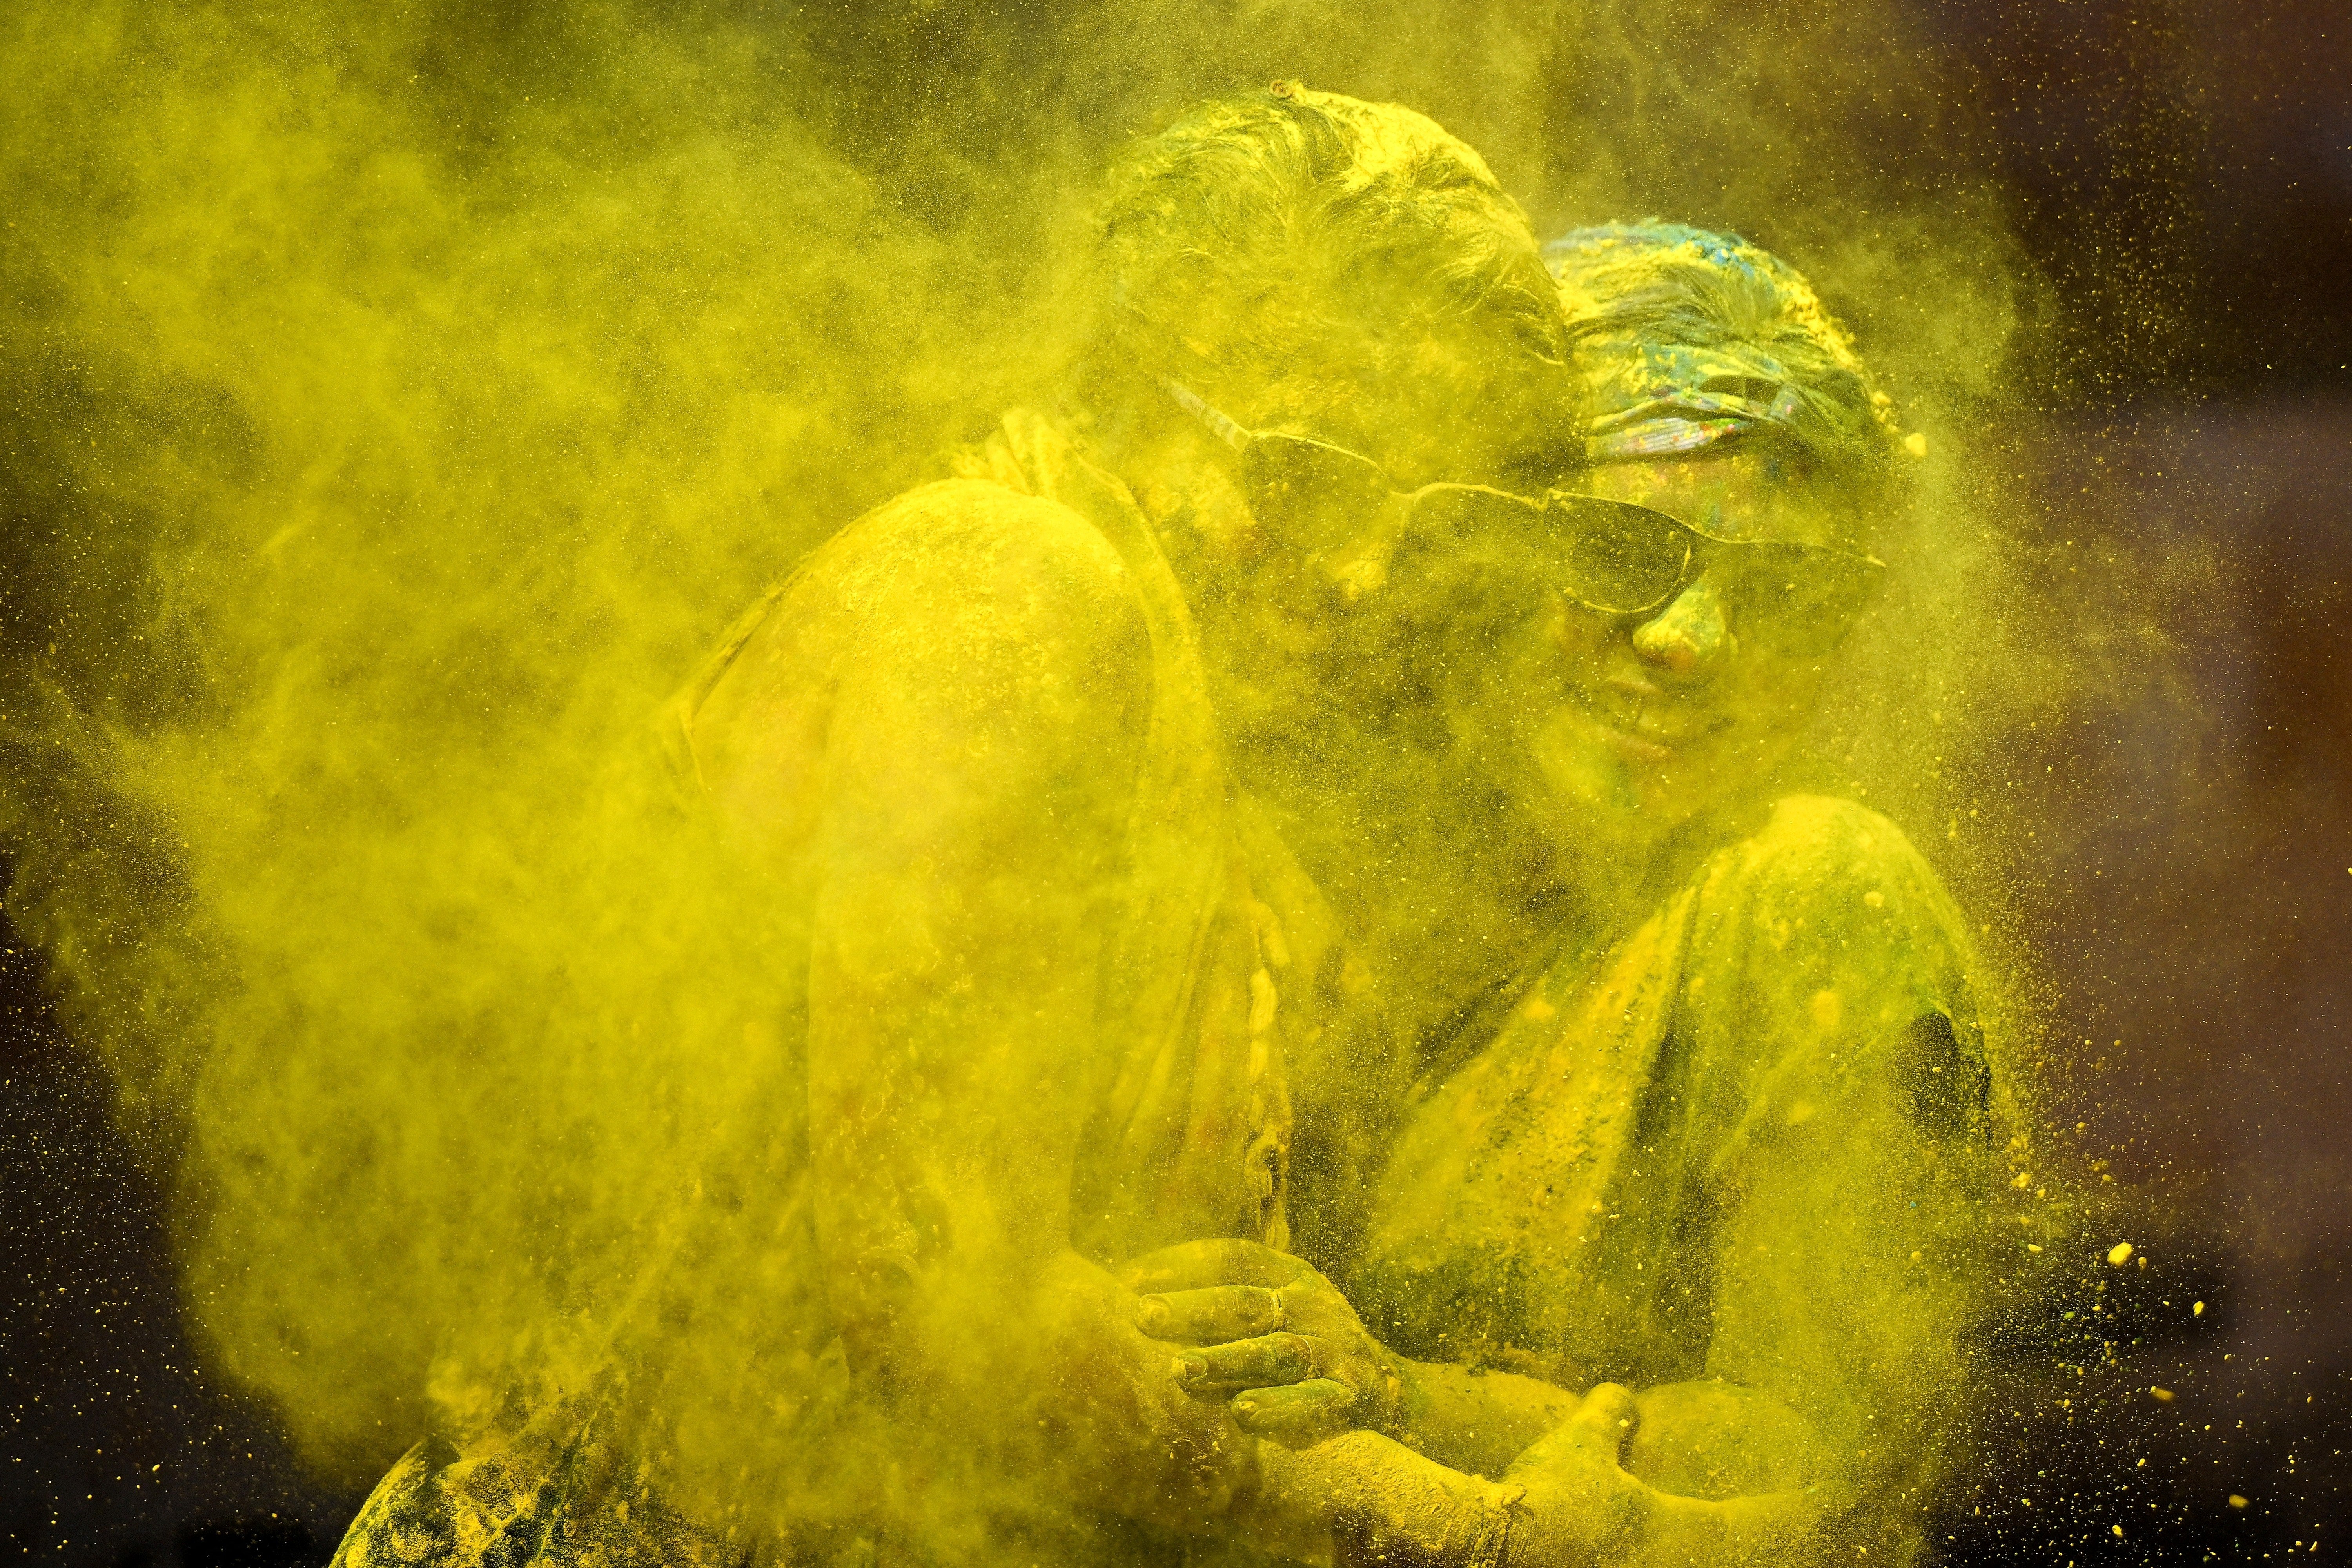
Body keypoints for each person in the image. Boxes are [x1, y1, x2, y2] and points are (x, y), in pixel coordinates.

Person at [330, 84, 1595, 1567]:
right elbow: (951, 1297)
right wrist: (1472, 1534)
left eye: (1427, 511)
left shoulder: (1191, 751)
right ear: (1148, 371)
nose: (1375, 576)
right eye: (1316, 474)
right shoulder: (1014, 585)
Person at [1123, 224, 2040, 1568]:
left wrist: (1398, 1394)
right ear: (1473, 540)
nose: (1690, 643)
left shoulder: (1810, 895)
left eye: (1788, 592)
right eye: (1623, 552)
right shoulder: (1303, 842)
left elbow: (1847, 1464)